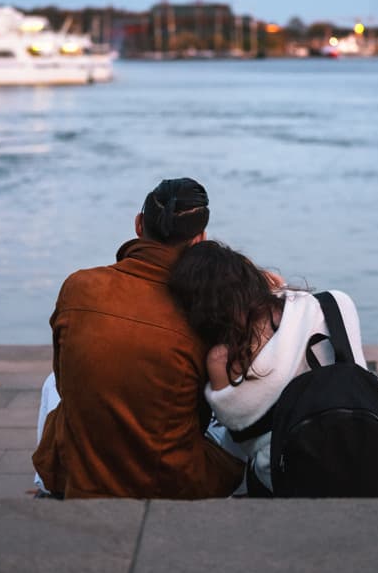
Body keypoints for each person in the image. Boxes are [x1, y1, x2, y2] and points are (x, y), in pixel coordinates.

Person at [32, 178, 244, 499]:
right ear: (199, 240)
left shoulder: (79, 286)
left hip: (78, 475)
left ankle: (48, 483)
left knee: (53, 383)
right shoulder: (204, 304)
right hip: (172, 483)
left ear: (138, 224)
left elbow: (65, 383)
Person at [168, 240, 367, 495]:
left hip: (287, 480)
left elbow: (241, 435)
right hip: (362, 451)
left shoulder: (223, 361)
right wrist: (277, 289)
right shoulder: (335, 306)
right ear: (251, 276)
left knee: (221, 440)